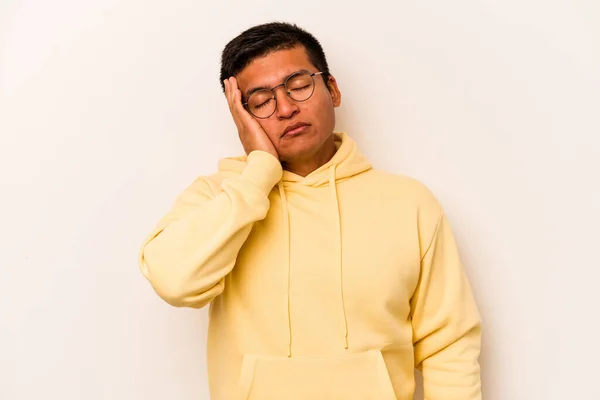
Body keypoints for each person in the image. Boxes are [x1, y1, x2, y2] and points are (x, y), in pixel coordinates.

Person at [138, 21, 482, 400]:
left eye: (299, 86)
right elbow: (173, 282)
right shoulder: (220, 199)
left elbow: (449, 346)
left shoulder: (410, 203)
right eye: (261, 101)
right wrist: (259, 174)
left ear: (332, 89)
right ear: (241, 117)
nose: (286, 108)